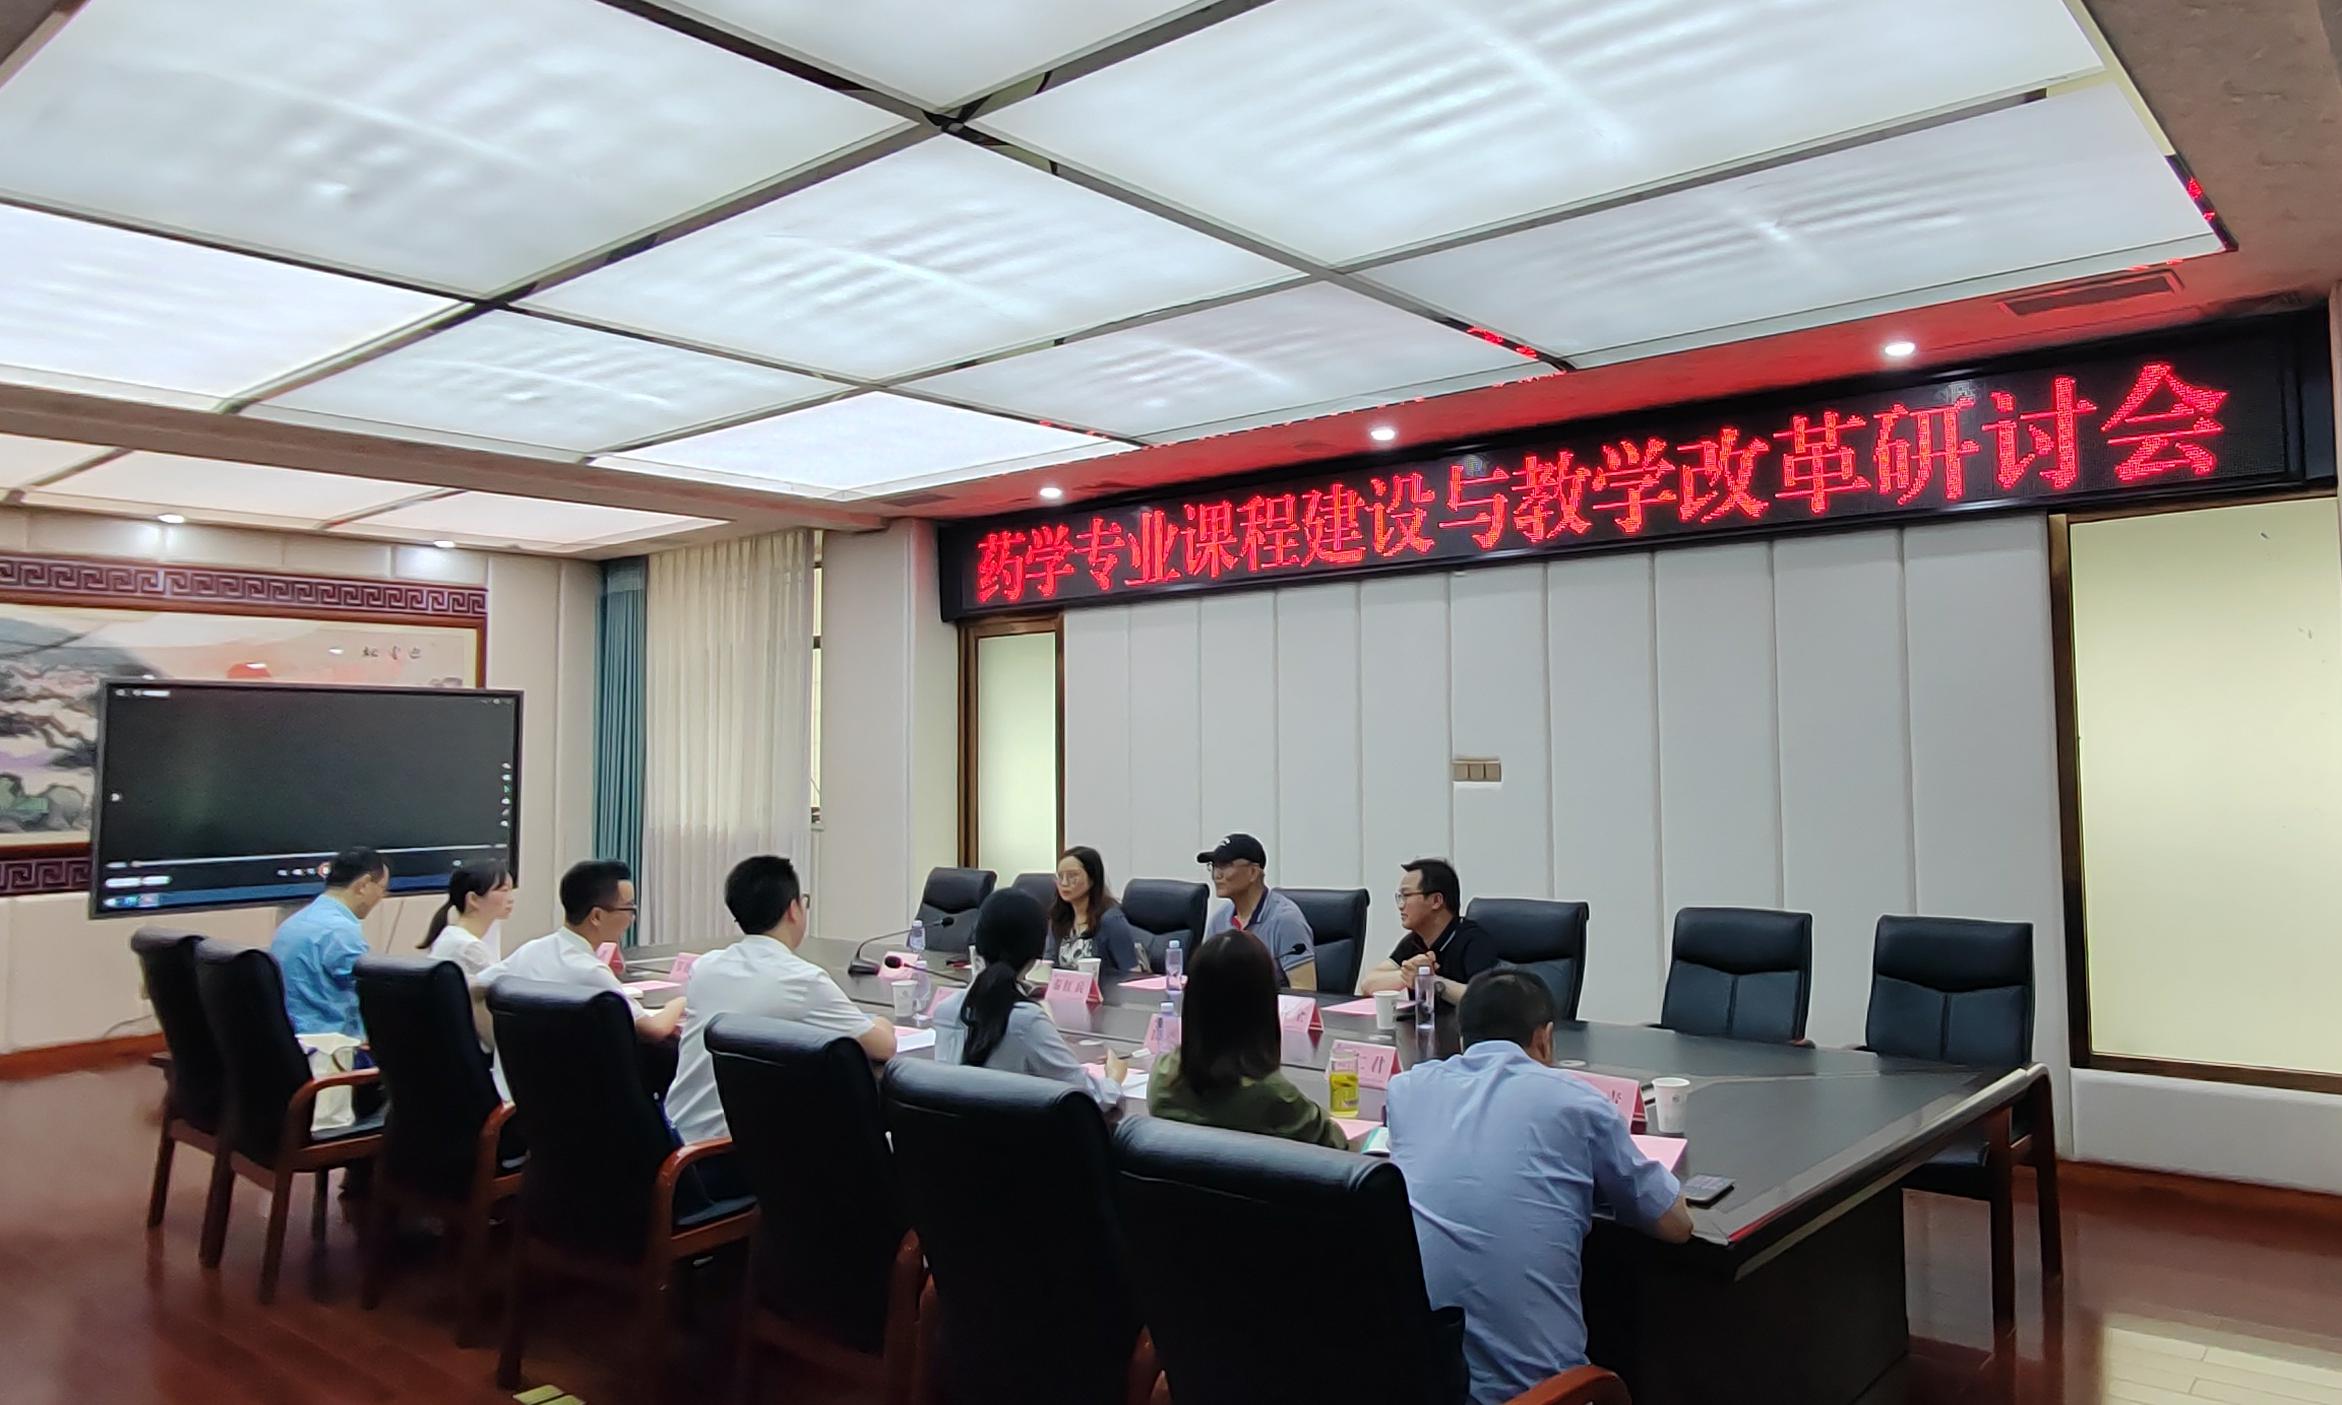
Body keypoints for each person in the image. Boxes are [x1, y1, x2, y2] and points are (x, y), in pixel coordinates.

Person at [1387, 970, 1693, 1404]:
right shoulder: (1576, 1101)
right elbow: (1675, 1225)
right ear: (1545, 1039)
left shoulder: (1405, 1091)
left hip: (1428, 1386)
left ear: (1462, 1039)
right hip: (1544, 1396)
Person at [666, 854, 895, 1154]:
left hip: (677, 1138)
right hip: (727, 1154)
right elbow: (883, 1047)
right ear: (793, 909)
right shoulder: (803, 980)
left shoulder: (706, 967)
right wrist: (880, 1021)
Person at [1147, 930, 1349, 1150]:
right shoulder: (1275, 1097)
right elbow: (1337, 1146)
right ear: (1262, 1006)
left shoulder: (1163, 1078)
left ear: (1192, 1001)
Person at [934, 889, 1123, 1110]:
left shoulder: (947, 1010)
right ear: (1036, 954)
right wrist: (1114, 1079)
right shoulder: (1025, 1020)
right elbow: (1085, 1097)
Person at [481, 859, 685, 1045]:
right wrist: (680, 1002)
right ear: (596, 916)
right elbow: (654, 1030)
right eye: (629, 908)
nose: (632, 918)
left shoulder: (531, 950)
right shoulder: (591, 972)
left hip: (520, 1072)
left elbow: (474, 985)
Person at [272, 846, 390, 1037]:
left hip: (294, 1039)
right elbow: (374, 994)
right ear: (364, 884)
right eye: (382, 889)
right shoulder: (339, 931)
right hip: (332, 1046)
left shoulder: (293, 923)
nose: (382, 897)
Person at [1359, 858, 1500, 1005]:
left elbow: (1485, 998)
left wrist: (1431, 981)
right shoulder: (1414, 941)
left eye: (1406, 896)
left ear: (1436, 901)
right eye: (1400, 897)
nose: (1400, 906)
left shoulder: (1474, 941)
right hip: (1422, 1020)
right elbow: (1368, 984)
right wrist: (1409, 974)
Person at [1197, 832, 1315, 988]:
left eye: (1225, 865)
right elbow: (1204, 979)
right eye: (1214, 866)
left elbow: (1304, 992)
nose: (1216, 875)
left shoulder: (1286, 921)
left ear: (1253, 872)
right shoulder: (1219, 920)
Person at [1047, 845, 1143, 976]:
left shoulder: (1111, 920)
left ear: (1092, 879)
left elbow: (1133, 974)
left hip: (1106, 988)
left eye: (1072, 876)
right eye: (1060, 876)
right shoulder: (1059, 918)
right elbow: (1048, 965)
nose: (1064, 883)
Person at [421, 861, 514, 981]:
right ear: (473, 899)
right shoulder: (469, 947)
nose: (511, 899)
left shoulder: (452, 935)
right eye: (504, 890)